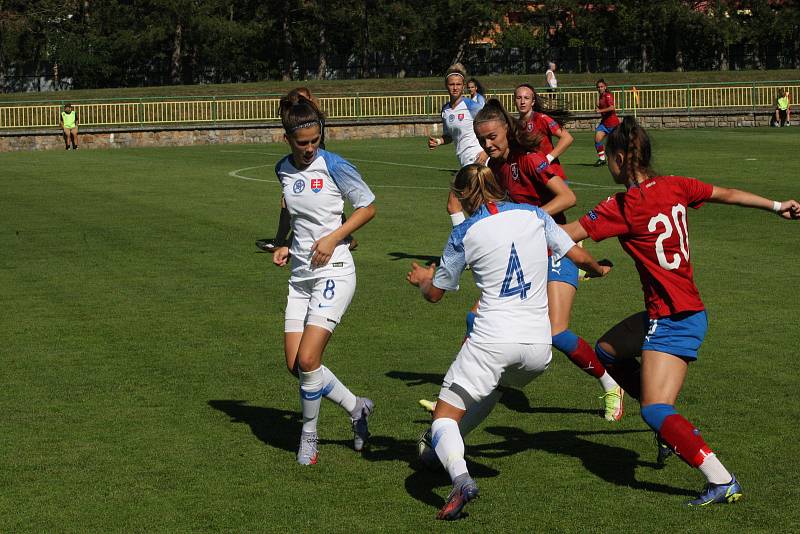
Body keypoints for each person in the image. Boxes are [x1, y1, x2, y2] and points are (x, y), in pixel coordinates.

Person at [561, 115, 800, 506]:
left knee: (655, 410)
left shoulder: (623, 205)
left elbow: (567, 234)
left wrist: (522, 224)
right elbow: (727, 194)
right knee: (606, 351)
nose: (606, 163)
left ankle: (721, 480)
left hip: (673, 317)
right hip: (679, 309)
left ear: (621, 158)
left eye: (607, 156)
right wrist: (776, 206)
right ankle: (671, 433)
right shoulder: (676, 185)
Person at [408, 164, 611, 520]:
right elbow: (576, 254)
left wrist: (423, 279)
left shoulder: (465, 233)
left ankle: (460, 479)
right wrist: (597, 270)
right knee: (498, 385)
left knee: (443, 417)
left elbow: (436, 294)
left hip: (493, 338)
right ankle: (438, 453)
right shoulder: (533, 214)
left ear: (461, 196)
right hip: (537, 348)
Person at [473, 98, 625, 421]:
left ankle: (611, 383)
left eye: (492, 138)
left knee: (557, 332)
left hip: (554, 246)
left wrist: (531, 218)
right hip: (526, 253)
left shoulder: (530, 158)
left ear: (507, 129)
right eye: (481, 139)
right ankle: (461, 390)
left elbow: (567, 197)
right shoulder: (496, 167)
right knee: (478, 316)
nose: (487, 144)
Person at [271, 94, 377, 465]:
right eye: (303, 143)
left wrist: (335, 237)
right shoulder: (283, 169)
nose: (310, 149)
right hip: (300, 276)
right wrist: (284, 245)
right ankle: (357, 408)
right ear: (287, 139)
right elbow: (292, 211)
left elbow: (367, 207)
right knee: (297, 365)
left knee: (310, 356)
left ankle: (309, 438)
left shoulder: (334, 165)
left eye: (316, 141)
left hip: (334, 270)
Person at [256, 87, 358, 254]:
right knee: (301, 203)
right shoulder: (282, 167)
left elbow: (367, 208)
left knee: (322, 204)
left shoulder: (316, 127)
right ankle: (285, 243)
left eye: (303, 100)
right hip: (303, 262)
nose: (299, 104)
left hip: (313, 166)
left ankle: (282, 241)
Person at [427, 64, 488, 168]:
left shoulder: (473, 106)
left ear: (463, 86)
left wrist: (486, 152)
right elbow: (449, 136)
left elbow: (491, 130)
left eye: (458, 84)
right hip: (463, 160)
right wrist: (437, 141)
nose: (455, 88)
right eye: (452, 84)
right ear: (446, 85)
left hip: (479, 158)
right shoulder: (445, 110)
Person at [514, 83, 573, 178]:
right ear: (514, 101)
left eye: (526, 98)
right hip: (533, 177)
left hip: (552, 175)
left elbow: (567, 138)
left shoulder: (541, 118)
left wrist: (548, 159)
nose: (522, 102)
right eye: (519, 98)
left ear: (533, 102)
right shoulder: (515, 125)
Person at [593, 79, 620, 166]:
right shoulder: (601, 96)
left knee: (616, 145)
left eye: (601, 87)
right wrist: (598, 107)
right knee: (597, 139)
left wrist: (600, 110)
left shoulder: (608, 95)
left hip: (613, 123)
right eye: (598, 87)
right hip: (604, 123)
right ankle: (602, 159)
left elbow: (612, 108)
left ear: (605, 87)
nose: (600, 88)